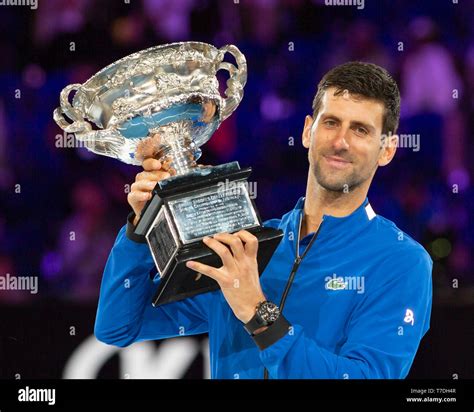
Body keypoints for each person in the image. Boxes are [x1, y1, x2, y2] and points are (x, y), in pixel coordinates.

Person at [94, 62, 432, 379]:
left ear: (387, 150)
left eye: (360, 130)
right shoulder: (243, 246)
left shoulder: (401, 261)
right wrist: (141, 230)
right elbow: (119, 327)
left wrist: (257, 312)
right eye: (330, 122)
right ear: (307, 131)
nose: (340, 141)